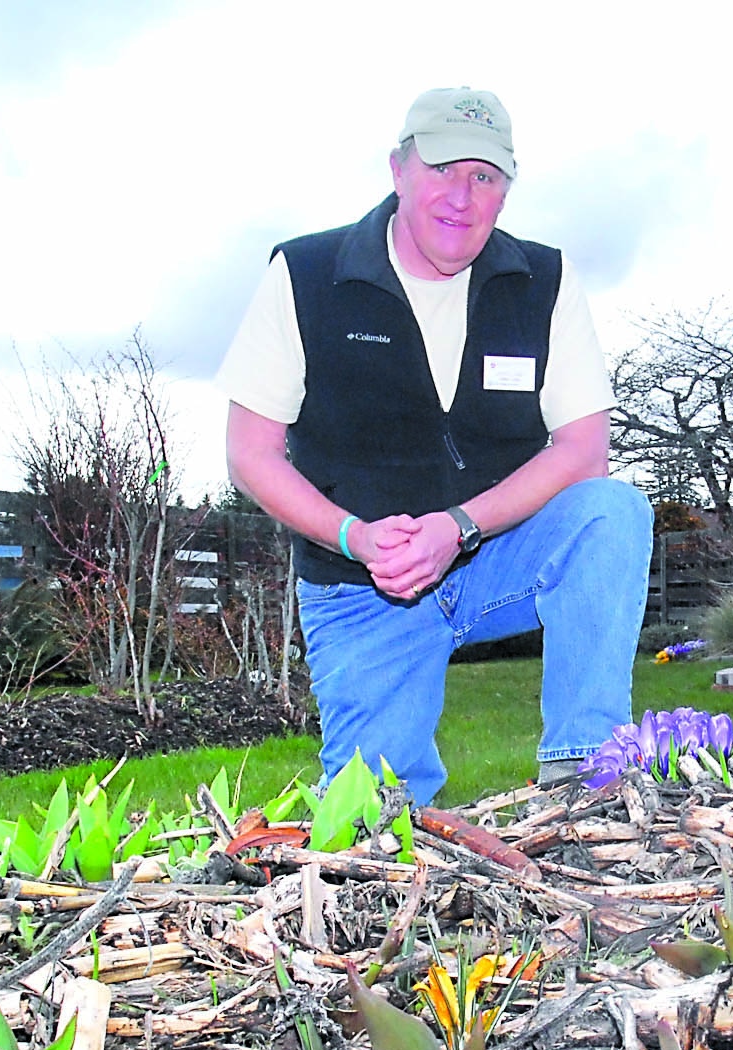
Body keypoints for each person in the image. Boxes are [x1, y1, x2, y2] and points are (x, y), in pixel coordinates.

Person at [217, 86, 652, 807]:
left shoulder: (542, 281)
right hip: (363, 583)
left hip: (491, 557)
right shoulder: (304, 275)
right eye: (442, 169)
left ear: (505, 190)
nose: (461, 195)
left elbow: (582, 451)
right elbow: (249, 452)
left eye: (483, 176)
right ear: (398, 169)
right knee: (378, 818)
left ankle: (585, 779)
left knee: (612, 513)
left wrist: (459, 527)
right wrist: (354, 536)